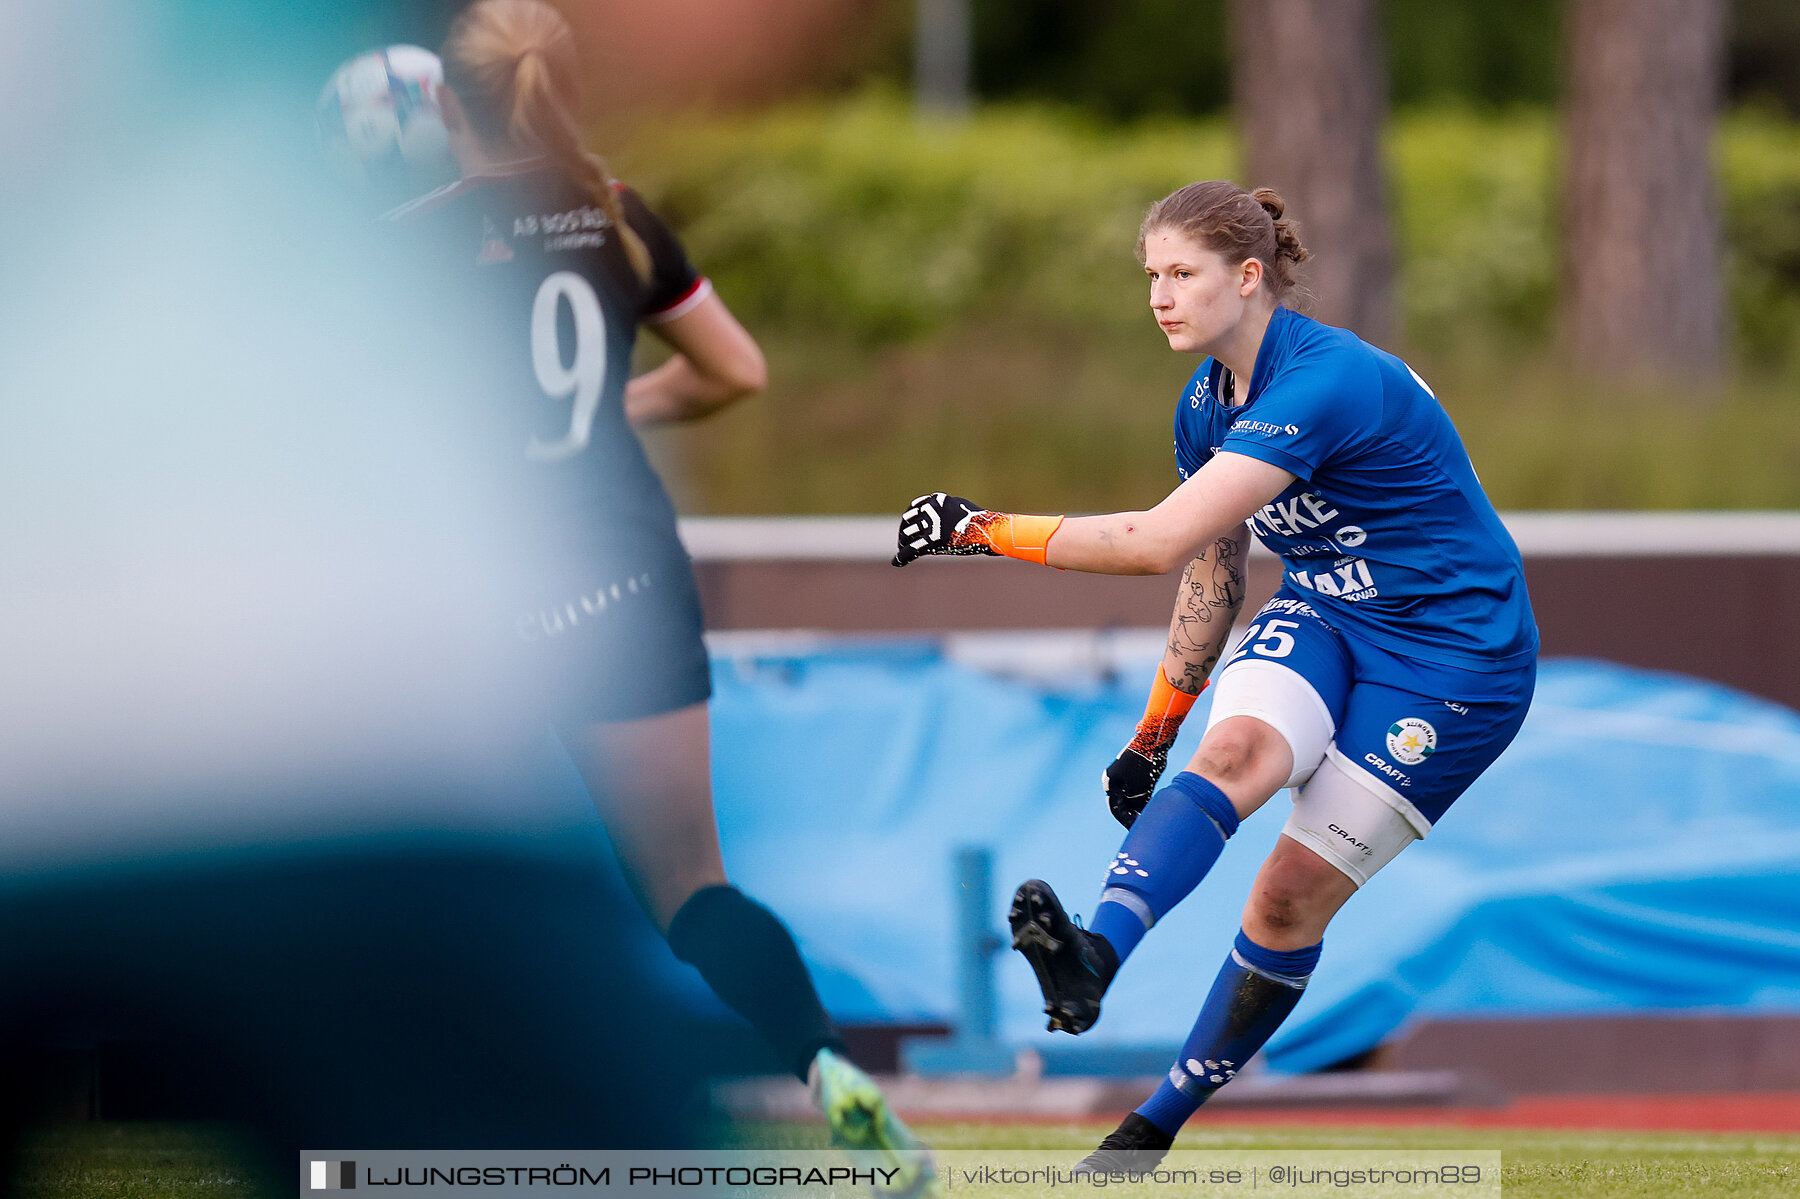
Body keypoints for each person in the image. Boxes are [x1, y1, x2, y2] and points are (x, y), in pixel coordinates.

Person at [386, 1, 934, 1178]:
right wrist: (603, 417)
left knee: (399, 873)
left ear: (444, 104)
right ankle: (827, 1064)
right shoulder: (620, 214)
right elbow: (737, 369)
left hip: (481, 587)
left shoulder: (413, 235)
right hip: (624, 576)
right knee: (691, 890)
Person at [894, 180, 1538, 1172]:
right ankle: (1092, 955)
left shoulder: (1325, 381)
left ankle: (1151, 1125)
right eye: (1150, 276)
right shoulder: (1205, 405)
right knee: (1234, 751)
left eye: (1182, 274)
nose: (1160, 296)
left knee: (1285, 898)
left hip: (1455, 657)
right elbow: (1211, 575)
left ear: (1248, 278)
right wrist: (1158, 729)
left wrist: (978, 528)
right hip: (1332, 611)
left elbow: (1153, 541)